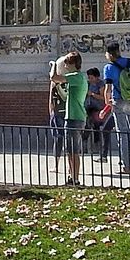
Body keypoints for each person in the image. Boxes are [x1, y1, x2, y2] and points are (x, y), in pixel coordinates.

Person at [101, 40, 130, 175]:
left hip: (119, 100)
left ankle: (126, 166)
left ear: (109, 54)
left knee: (122, 134)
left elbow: (108, 88)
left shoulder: (108, 68)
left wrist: (107, 101)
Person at [50, 52, 87, 185]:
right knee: (70, 151)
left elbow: (54, 78)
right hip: (74, 117)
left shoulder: (76, 76)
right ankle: (72, 177)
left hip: (74, 117)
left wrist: (54, 65)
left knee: (74, 151)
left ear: (73, 64)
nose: (65, 66)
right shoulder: (79, 77)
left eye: (66, 63)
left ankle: (75, 178)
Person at [83, 67, 113, 160]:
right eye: (89, 77)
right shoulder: (88, 84)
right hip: (88, 106)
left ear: (96, 77)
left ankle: (97, 144)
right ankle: (85, 144)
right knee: (87, 124)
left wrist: (92, 94)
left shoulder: (101, 84)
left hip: (97, 107)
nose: (90, 80)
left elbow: (103, 97)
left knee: (96, 125)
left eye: (92, 77)